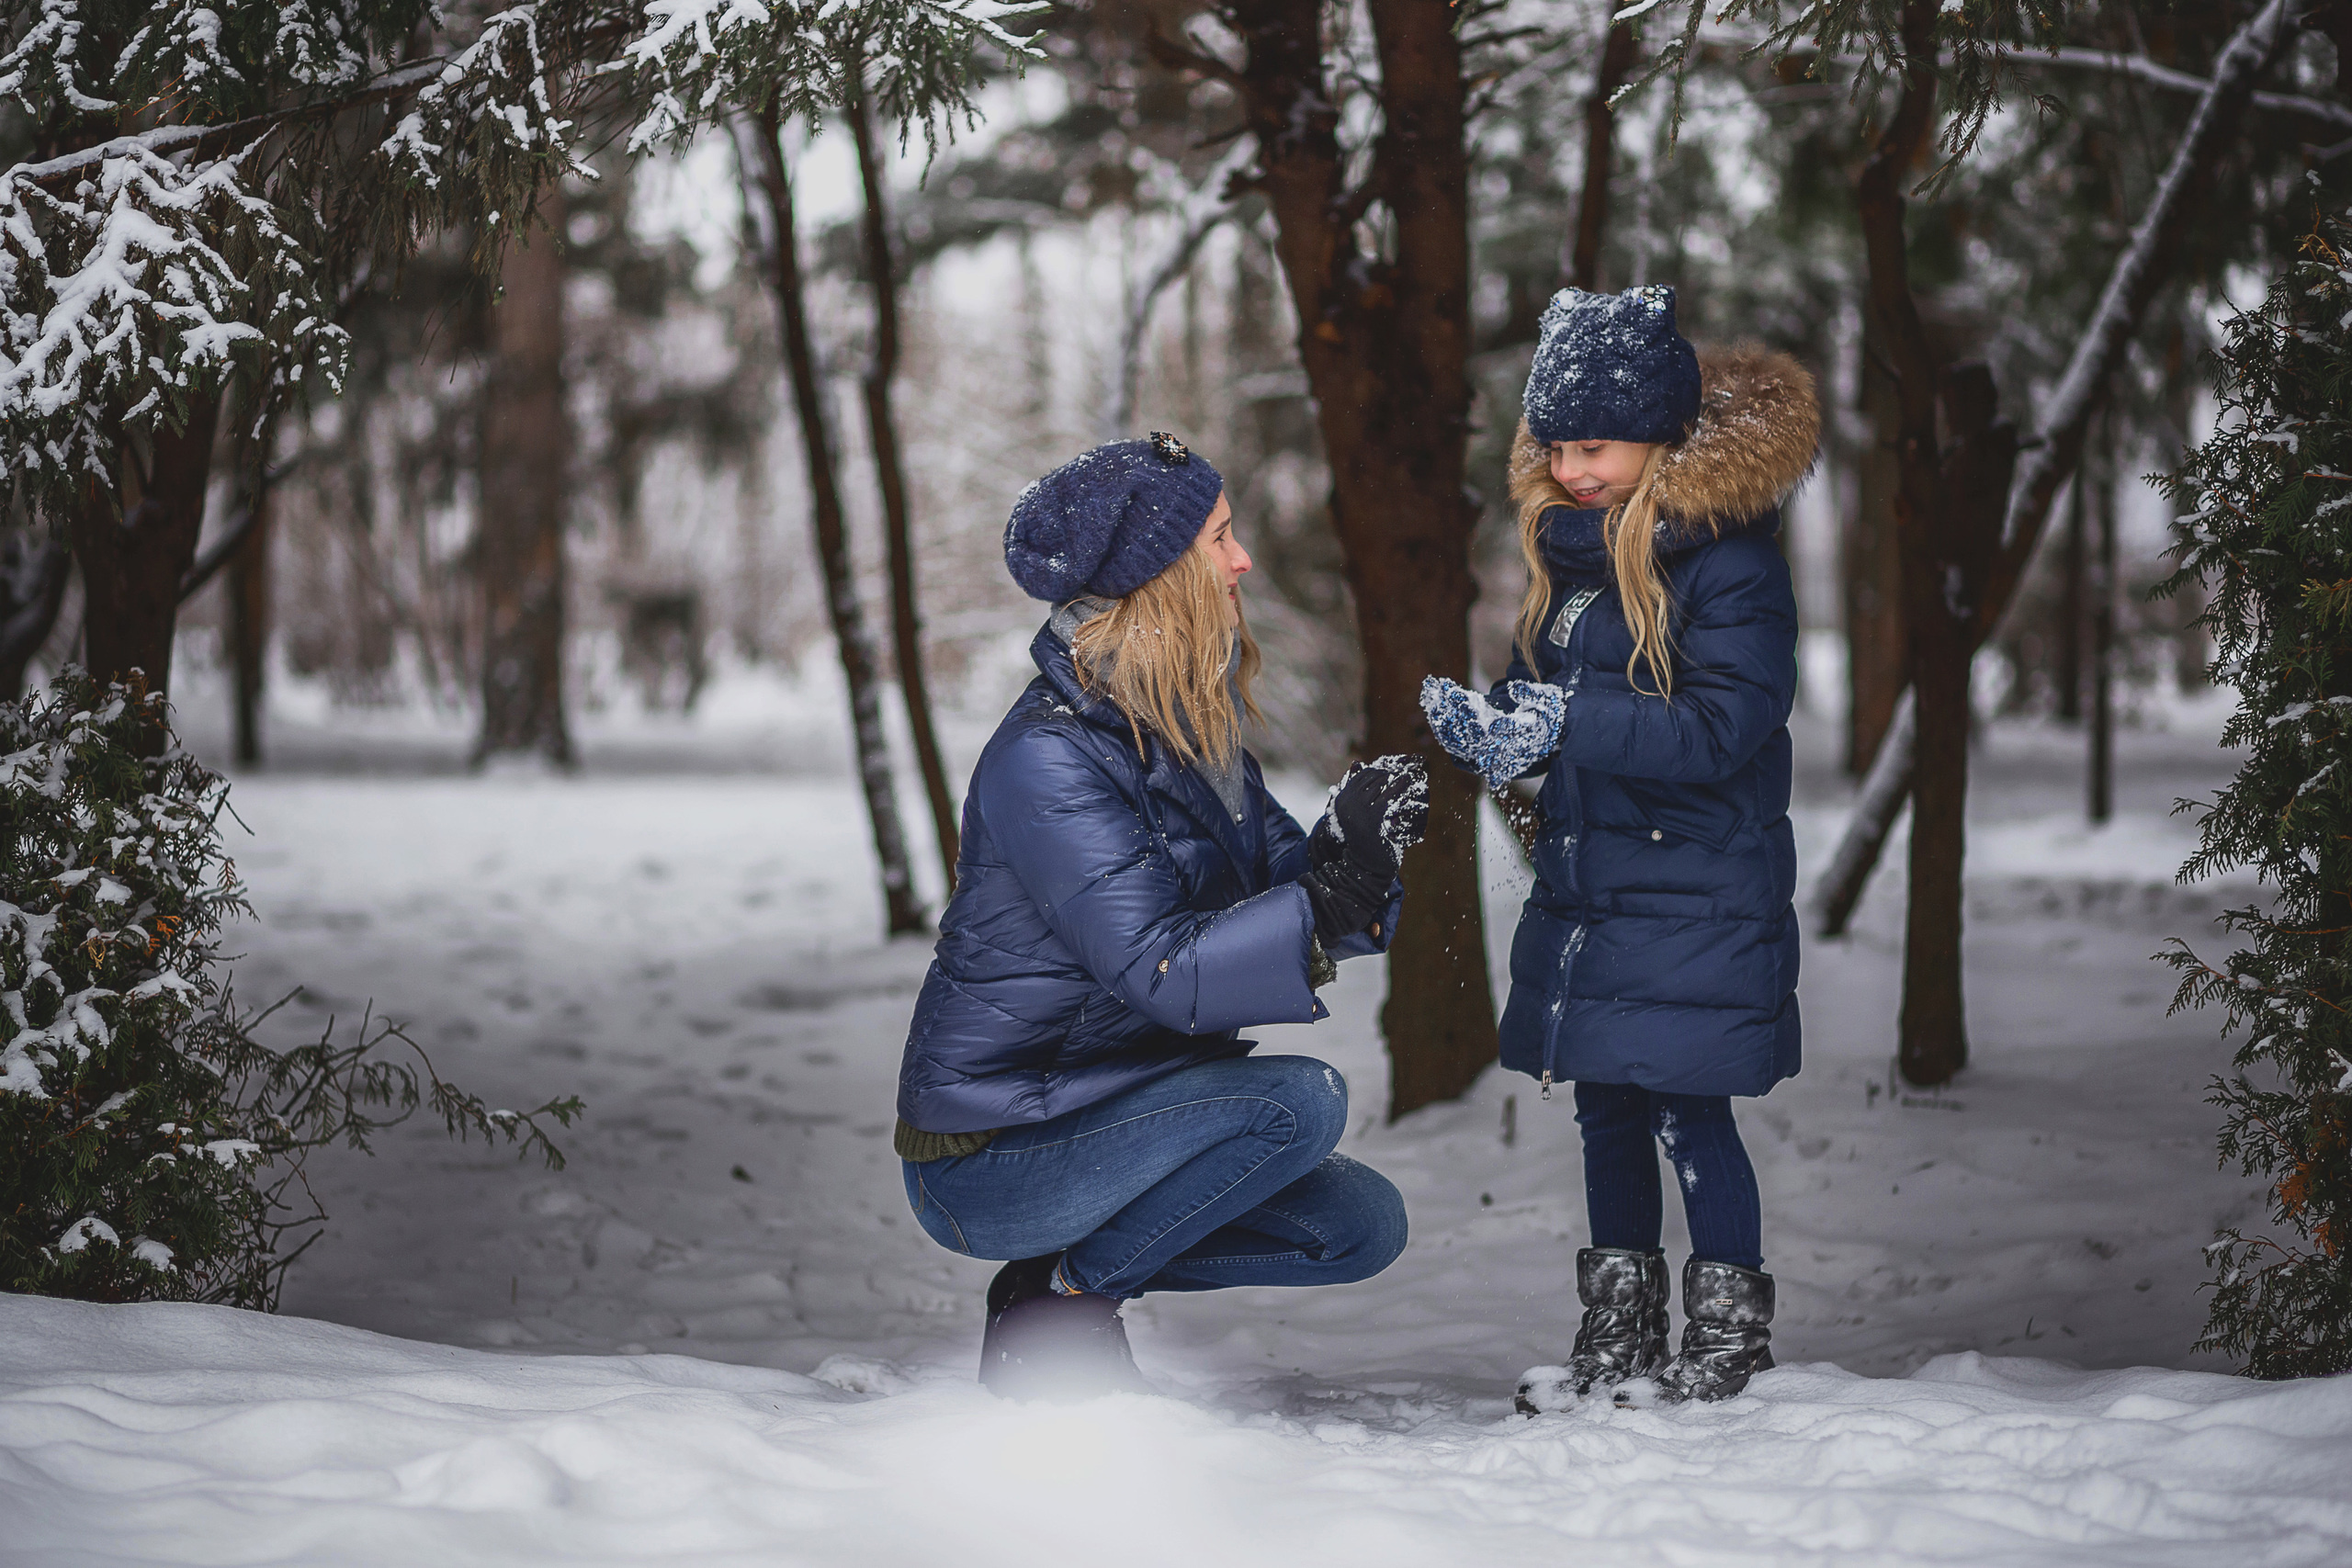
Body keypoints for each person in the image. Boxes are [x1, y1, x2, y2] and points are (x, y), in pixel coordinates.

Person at [896, 431, 1422, 1401]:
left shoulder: (1181, 726)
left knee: (1360, 1225)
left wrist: (1352, 864)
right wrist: (1317, 907)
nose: (1242, 560)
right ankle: (1058, 1299)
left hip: (1116, 1112)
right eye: (1220, 539)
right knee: (1298, 1101)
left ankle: (1063, 1280)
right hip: (992, 1156)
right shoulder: (1046, 759)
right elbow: (1166, 971)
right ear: (1157, 570)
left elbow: (1281, 887)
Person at [1423, 286, 1817, 1406]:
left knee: (1689, 1106)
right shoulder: (1571, 559)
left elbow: (1722, 727)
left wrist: (1566, 721)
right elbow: (1550, 691)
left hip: (1696, 886)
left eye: (1593, 445)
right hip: (1596, 881)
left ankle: (1728, 1333)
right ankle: (1618, 1327)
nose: (1571, 468)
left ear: (1657, 434)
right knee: (1602, 1105)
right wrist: (1500, 728)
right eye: (1554, 446)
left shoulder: (1728, 563)